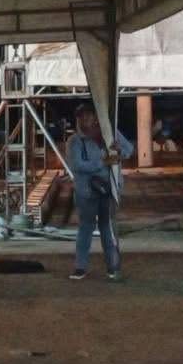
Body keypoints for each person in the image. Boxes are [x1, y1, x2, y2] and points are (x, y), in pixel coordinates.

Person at [65, 103, 135, 281]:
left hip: (108, 189)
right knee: (86, 227)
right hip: (86, 191)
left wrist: (120, 150)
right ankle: (80, 267)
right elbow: (77, 165)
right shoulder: (74, 141)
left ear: (95, 117)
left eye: (88, 115)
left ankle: (112, 266)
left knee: (107, 228)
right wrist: (102, 162)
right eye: (82, 117)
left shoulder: (110, 133)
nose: (85, 119)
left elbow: (129, 150)